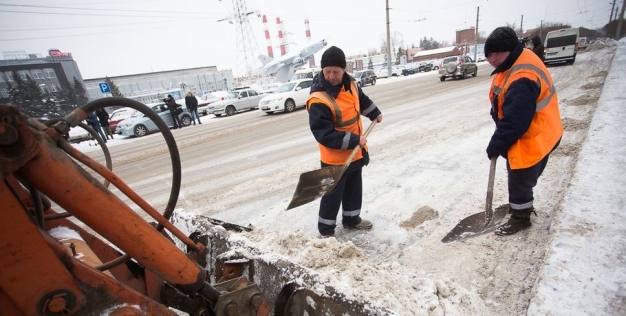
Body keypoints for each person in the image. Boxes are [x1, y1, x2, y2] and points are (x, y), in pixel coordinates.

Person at [483, 26, 563, 236]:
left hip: (536, 134)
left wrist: (496, 144)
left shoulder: (523, 76)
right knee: (518, 171)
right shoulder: (514, 62)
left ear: (509, 49)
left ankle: (521, 217)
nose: (491, 60)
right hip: (535, 128)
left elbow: (514, 121)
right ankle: (519, 205)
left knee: (520, 175)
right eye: (488, 56)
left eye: (495, 54)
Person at [306, 46, 383, 238]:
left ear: (344, 70)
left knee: (354, 190)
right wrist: (356, 140)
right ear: (322, 71)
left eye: (336, 72)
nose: (331, 76)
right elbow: (324, 134)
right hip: (335, 158)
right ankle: (326, 232)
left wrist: (374, 112)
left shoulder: (352, 85)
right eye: (327, 71)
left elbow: (362, 102)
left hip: (355, 152)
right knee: (332, 196)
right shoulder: (318, 99)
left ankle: (351, 219)